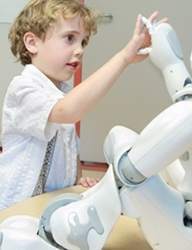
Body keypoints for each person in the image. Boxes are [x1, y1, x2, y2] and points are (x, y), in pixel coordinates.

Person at [0, 0, 160, 210]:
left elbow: (68, 148)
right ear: (32, 43)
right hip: (16, 206)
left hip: (51, 201)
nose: (79, 50)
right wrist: (123, 58)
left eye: (83, 42)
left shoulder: (64, 93)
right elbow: (67, 111)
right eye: (69, 38)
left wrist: (77, 180)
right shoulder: (23, 89)